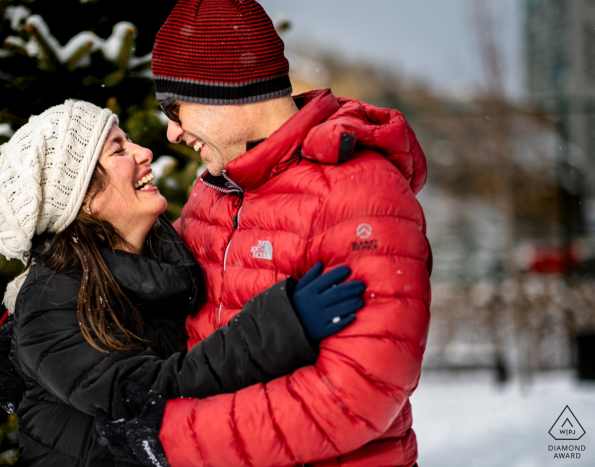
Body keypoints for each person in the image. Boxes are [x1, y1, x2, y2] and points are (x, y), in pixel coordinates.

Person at [95, 1, 432, 467]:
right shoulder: (216, 192)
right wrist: (39, 314)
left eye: (176, 108)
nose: (171, 133)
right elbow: (141, 275)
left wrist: (173, 437)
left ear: (224, 89)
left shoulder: (362, 193)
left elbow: (359, 394)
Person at [0, 99, 366, 467]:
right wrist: (279, 326)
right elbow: (149, 391)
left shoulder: (164, 261)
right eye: (118, 150)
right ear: (84, 199)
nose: (144, 151)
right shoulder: (53, 300)